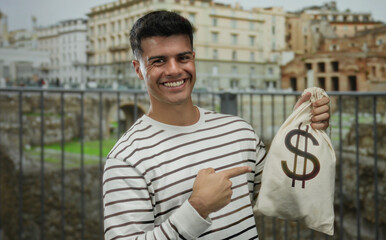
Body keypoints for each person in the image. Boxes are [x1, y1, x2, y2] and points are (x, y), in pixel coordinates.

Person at [103, 11, 330, 240]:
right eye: (158, 61)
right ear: (138, 69)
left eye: (183, 58)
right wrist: (198, 208)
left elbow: (282, 191)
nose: (174, 69)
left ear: (193, 58)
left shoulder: (239, 131)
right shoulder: (126, 159)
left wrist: (302, 131)